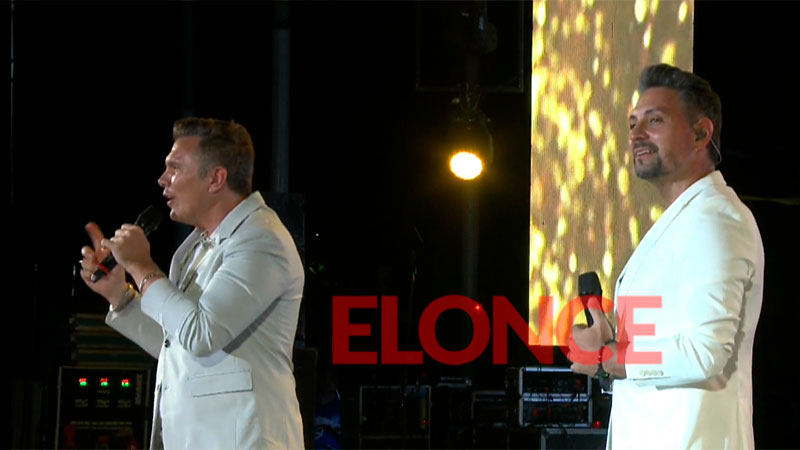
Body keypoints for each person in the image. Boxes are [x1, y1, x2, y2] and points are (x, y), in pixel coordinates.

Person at [78, 117, 305, 449]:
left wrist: (141, 266)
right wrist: (120, 295)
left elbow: (202, 334)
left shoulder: (261, 240)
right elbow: (178, 343)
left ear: (215, 178)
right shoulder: (197, 247)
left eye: (175, 168)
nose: (162, 179)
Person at [570, 64, 764, 449]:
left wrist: (608, 358)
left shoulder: (715, 220)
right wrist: (608, 350)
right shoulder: (686, 220)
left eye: (654, 120)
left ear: (701, 133)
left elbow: (706, 352)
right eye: (633, 123)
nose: (636, 134)